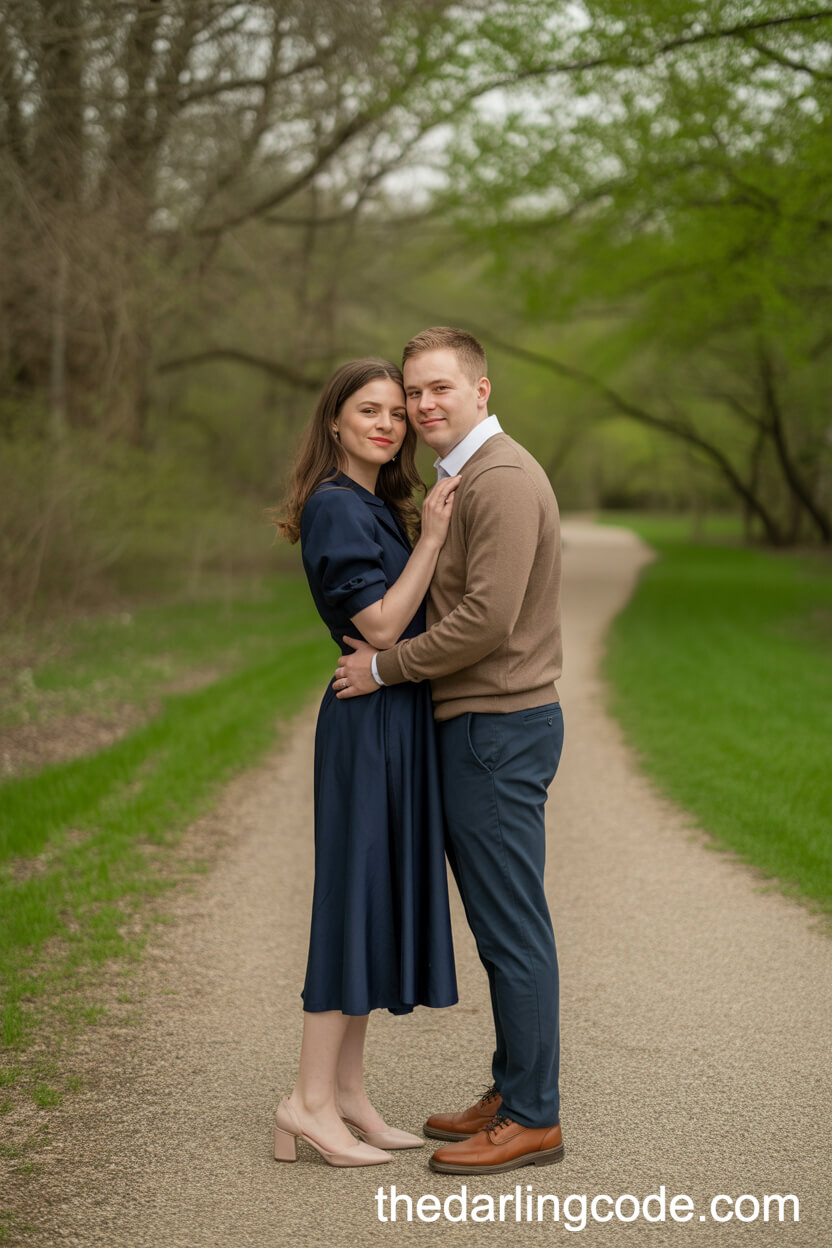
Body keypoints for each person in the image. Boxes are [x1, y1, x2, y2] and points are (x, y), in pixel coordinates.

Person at [333, 327, 565, 1175]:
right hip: (481, 726)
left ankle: (534, 1116)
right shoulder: (464, 478)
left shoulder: (499, 480)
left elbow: (487, 623)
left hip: (496, 728)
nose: (423, 405)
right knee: (503, 924)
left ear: (480, 389)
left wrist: (386, 667)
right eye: (412, 391)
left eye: (438, 389)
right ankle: (514, 1089)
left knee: (512, 929)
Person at [272, 358, 460, 1169]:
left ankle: (345, 1095)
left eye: (396, 411)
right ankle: (305, 1103)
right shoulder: (333, 507)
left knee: (374, 900)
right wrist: (438, 540)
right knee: (350, 903)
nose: (388, 423)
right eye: (369, 410)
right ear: (336, 423)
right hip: (364, 721)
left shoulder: (376, 504)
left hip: (394, 715)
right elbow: (382, 626)